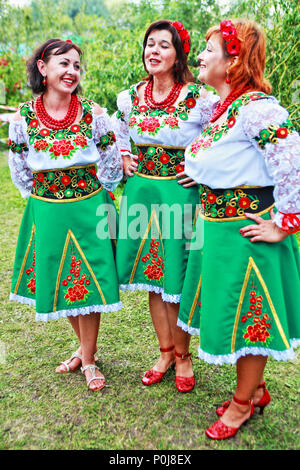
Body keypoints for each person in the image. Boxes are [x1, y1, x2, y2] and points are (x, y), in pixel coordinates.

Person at [177, 18, 300, 438]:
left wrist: (285, 223)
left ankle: (242, 404)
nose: (201, 57)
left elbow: (291, 156)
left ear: (233, 61)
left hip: (245, 233)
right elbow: (232, 160)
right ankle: (257, 391)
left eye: (209, 50)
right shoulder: (224, 110)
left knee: (249, 320)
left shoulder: (256, 109)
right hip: (217, 230)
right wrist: (206, 175)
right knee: (231, 314)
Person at [8, 38, 123, 392]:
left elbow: (112, 163)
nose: (72, 71)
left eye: (76, 65)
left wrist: (96, 194)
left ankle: (88, 360)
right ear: (43, 68)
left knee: (89, 283)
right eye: (64, 63)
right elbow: (19, 169)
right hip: (47, 210)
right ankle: (85, 349)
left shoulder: (94, 113)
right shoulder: (22, 117)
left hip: (90, 206)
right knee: (63, 281)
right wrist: (43, 198)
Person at [112, 20, 218, 392]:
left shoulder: (200, 100)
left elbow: (219, 139)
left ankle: (184, 356)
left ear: (178, 57)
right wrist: (125, 156)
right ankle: (165, 350)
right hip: (142, 194)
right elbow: (119, 132)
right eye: (149, 45)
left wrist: (202, 171)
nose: (153, 52)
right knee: (153, 279)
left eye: (163, 46)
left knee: (176, 277)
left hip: (180, 196)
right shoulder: (131, 97)